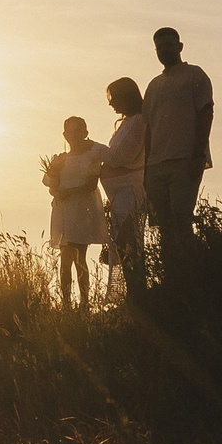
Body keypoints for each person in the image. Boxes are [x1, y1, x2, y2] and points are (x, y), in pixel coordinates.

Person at [139, 27, 213, 284]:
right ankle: (171, 280)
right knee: (163, 227)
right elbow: (148, 130)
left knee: (181, 222)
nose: (165, 50)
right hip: (156, 165)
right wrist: (146, 169)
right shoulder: (153, 85)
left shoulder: (195, 75)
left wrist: (197, 155)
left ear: (180, 47)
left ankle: (190, 278)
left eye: (170, 45)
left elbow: (206, 113)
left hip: (184, 160)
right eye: (160, 47)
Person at [40, 115, 109, 308]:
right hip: (63, 211)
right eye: (70, 131)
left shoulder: (90, 156)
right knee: (65, 260)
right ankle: (66, 304)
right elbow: (51, 185)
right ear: (65, 134)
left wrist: (68, 192)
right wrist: (57, 191)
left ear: (85, 132)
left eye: (78, 130)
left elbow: (91, 184)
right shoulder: (60, 159)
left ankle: (85, 303)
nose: (74, 134)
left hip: (81, 210)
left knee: (80, 257)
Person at [98, 77, 148, 298]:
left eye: (113, 98)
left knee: (128, 245)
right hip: (120, 194)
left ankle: (137, 295)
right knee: (123, 244)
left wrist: (92, 148)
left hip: (129, 192)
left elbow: (118, 157)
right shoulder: (127, 123)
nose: (111, 104)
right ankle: (132, 294)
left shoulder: (138, 122)